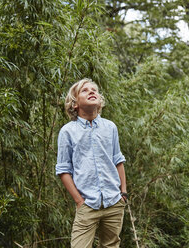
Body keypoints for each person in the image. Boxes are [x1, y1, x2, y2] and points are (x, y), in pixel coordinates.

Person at [55, 78, 128, 248]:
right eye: (85, 90)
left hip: (114, 201)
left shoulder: (110, 127)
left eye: (94, 90)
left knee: (111, 245)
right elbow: (63, 170)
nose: (92, 92)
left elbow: (118, 160)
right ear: (74, 104)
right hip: (87, 203)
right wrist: (80, 201)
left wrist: (123, 193)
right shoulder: (67, 132)